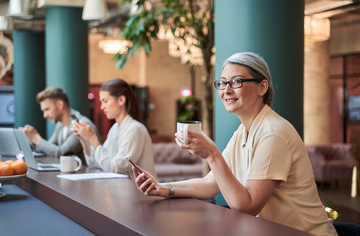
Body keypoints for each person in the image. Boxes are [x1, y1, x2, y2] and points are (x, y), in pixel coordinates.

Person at [132, 52, 338, 236]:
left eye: (236, 81)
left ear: (262, 87)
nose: (226, 90)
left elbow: (247, 207)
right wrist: (162, 188)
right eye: (222, 83)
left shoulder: (274, 133)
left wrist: (212, 154)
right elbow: (210, 184)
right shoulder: (244, 131)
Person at [71, 78, 157, 179]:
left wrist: (93, 139)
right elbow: (96, 163)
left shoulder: (135, 129)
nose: (102, 107)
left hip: (138, 193)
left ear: (121, 100)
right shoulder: (115, 128)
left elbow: (115, 168)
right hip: (120, 189)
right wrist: (84, 139)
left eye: (105, 101)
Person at [19, 87, 99, 165]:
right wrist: (32, 140)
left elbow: (62, 152)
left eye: (47, 109)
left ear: (60, 105)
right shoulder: (60, 125)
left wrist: (36, 137)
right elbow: (48, 149)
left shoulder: (81, 124)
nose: (45, 115)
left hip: (86, 176)